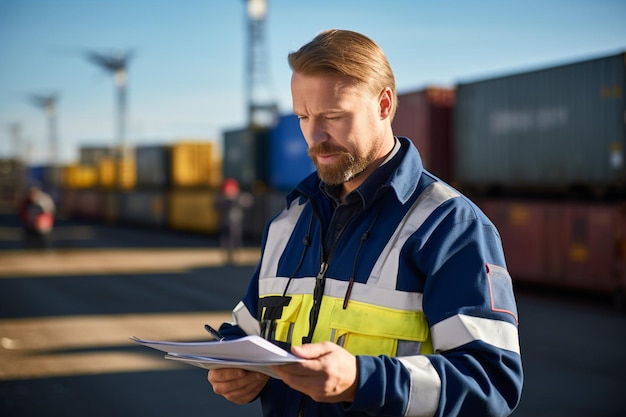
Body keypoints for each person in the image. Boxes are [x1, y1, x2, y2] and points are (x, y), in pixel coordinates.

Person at [207, 29, 523, 417]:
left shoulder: (449, 226)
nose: (315, 136)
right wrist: (234, 361)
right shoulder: (289, 222)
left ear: (384, 104)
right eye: (303, 117)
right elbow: (249, 329)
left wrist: (361, 380)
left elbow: (490, 383)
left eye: (333, 116)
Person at [216, 178, 253, 263]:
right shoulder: (222, 198)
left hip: (235, 222)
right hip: (225, 222)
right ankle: (227, 254)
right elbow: (216, 205)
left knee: (235, 238)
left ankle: (235, 253)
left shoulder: (239, 197)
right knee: (226, 239)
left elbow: (248, 202)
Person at [19, 185, 56, 249]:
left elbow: (49, 213)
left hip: (43, 227)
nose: (32, 194)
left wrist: (40, 222)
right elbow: (24, 214)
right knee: (31, 244)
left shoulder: (45, 199)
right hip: (31, 226)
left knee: (45, 244)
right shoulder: (27, 201)